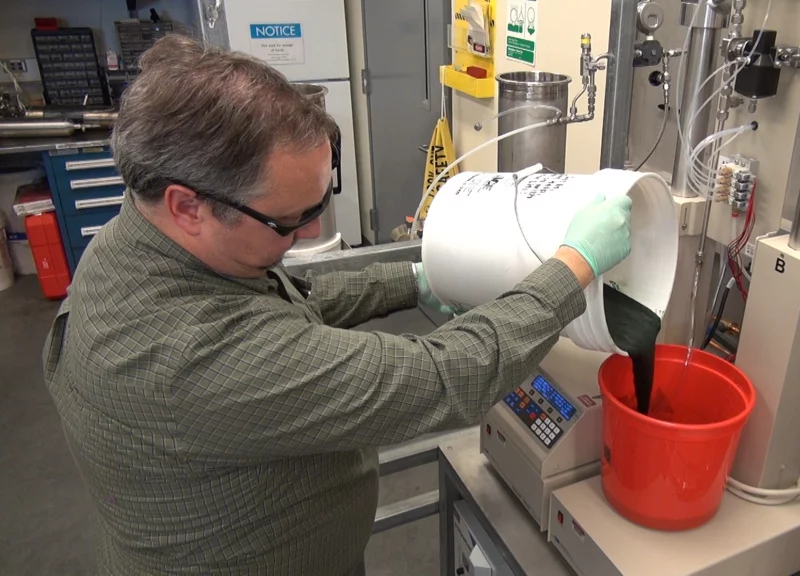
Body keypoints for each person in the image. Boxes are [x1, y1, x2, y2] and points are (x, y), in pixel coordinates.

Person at [42, 35, 632, 576]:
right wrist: (573, 267)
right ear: (189, 206)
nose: (313, 229)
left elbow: (278, 302)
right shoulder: (182, 357)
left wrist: (413, 279)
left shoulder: (141, 238)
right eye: (289, 219)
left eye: (323, 197)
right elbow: (444, 377)